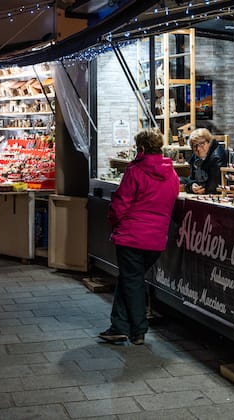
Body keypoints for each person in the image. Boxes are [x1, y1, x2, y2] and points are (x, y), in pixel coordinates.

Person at [99, 129, 180, 345]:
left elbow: (120, 204)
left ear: (141, 148)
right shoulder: (172, 174)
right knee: (130, 280)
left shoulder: (135, 171)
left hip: (132, 236)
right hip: (156, 240)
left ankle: (138, 331)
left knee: (131, 281)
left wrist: (114, 221)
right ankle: (119, 326)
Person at [181, 128, 228, 195]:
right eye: (195, 146)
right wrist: (192, 186)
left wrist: (199, 188)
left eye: (202, 144)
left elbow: (214, 186)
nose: (198, 148)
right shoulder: (195, 156)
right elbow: (191, 178)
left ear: (209, 142)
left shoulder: (217, 157)